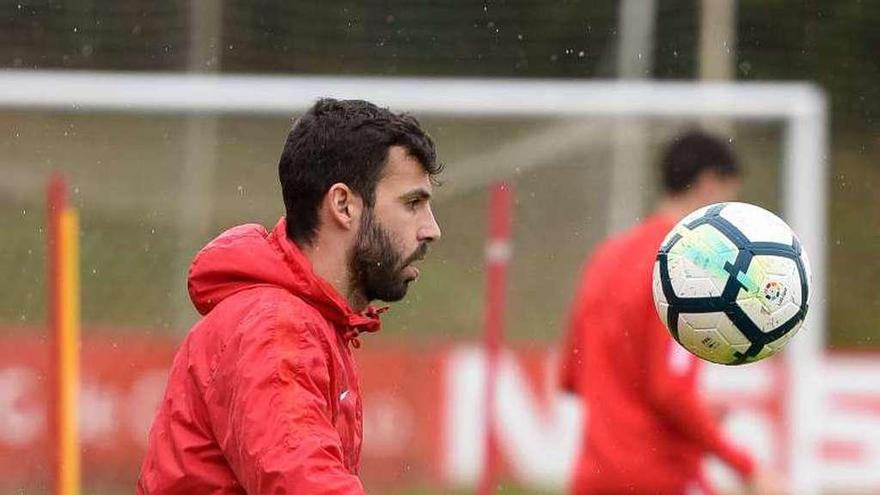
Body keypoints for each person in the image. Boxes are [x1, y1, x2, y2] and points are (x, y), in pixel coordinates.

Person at [137, 98, 442, 494]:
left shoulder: (311, 321)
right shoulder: (277, 327)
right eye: (413, 203)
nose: (431, 229)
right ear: (343, 205)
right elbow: (303, 483)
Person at [559, 131, 786, 495]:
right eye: (730, 198)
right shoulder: (689, 269)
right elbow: (669, 390)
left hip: (595, 478)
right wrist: (747, 467)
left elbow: (574, 375)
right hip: (660, 478)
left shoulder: (605, 257)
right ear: (709, 184)